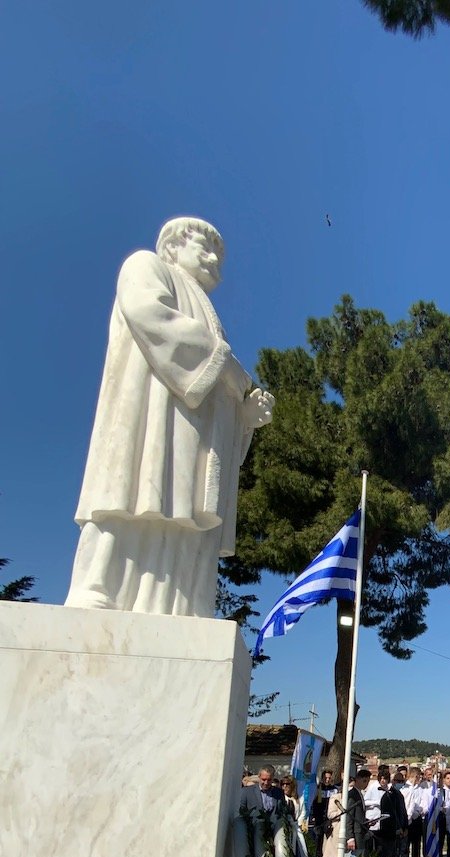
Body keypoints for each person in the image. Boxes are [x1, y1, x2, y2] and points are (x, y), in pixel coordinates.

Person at [66, 218, 274, 616]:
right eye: (206, 248)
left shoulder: (212, 314)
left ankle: (177, 605)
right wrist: (226, 365)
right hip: (151, 420)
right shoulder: (146, 266)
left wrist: (245, 415)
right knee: (132, 494)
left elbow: (216, 384)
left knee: (186, 515)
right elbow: (149, 314)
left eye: (221, 256)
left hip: (193, 437)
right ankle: (100, 587)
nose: (215, 260)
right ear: (174, 247)